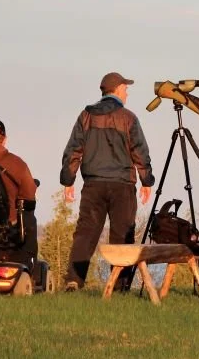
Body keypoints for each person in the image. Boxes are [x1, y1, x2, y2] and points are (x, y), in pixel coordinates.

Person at [59, 71, 154, 291]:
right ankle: (119, 286)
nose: (127, 92)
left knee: (85, 234)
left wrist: (68, 180)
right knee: (122, 236)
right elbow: (140, 150)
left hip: (93, 185)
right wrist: (146, 180)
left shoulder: (86, 116)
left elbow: (73, 149)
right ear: (118, 89)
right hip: (122, 185)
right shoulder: (128, 118)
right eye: (126, 88)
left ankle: (74, 280)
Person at [0, 117, 39, 265]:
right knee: (28, 216)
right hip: (4, 226)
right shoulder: (17, 164)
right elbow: (29, 197)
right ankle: (26, 267)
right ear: (4, 140)